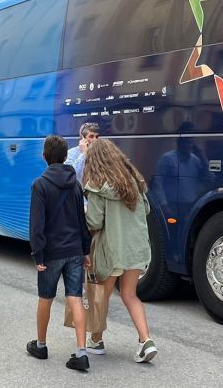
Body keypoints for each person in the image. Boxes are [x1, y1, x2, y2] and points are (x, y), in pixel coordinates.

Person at [83, 139, 157, 363]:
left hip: (111, 250)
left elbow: (94, 221)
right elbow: (146, 209)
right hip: (134, 247)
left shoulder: (97, 185)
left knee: (101, 297)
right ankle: (146, 341)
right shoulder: (133, 182)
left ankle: (96, 340)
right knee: (130, 295)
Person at [26, 135, 92, 371]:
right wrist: (86, 250)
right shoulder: (75, 184)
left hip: (52, 252)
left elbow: (37, 224)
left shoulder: (40, 185)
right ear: (65, 156)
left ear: (44, 157)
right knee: (75, 298)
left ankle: (41, 345)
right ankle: (81, 352)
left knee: (46, 297)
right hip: (74, 249)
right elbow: (81, 220)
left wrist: (38, 254)